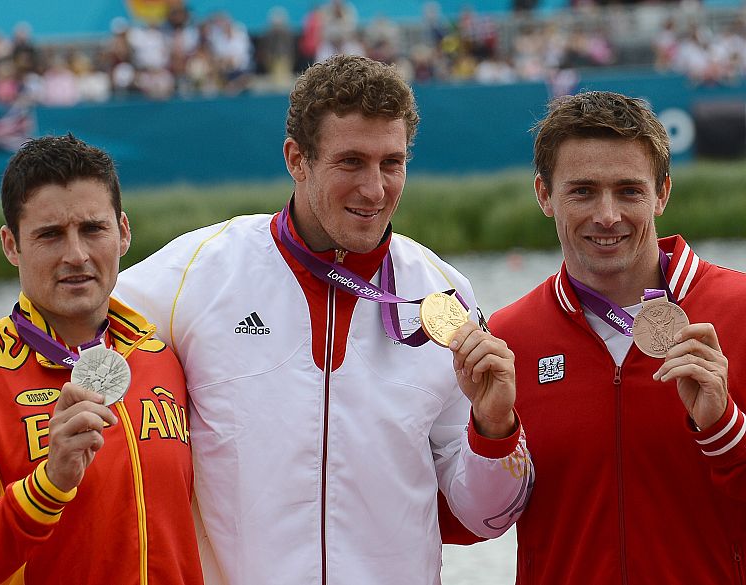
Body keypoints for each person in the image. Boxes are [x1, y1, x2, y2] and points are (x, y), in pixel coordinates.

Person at [115, 54, 533, 584]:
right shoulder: (197, 271)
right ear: (297, 159)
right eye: (351, 161)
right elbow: (64, 342)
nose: (375, 189)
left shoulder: (443, 292)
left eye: (391, 163)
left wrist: (494, 427)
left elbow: (484, 517)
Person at [489, 90, 746, 584]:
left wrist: (723, 428)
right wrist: (491, 434)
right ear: (543, 194)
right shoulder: (508, 339)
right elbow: (474, 522)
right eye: (582, 191)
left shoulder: (739, 312)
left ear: (662, 193)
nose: (607, 215)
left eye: (629, 190)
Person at [0, 134, 204, 584]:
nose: (76, 255)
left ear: (123, 231)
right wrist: (48, 486)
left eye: (92, 229)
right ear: (11, 245)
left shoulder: (163, 355)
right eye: (49, 235)